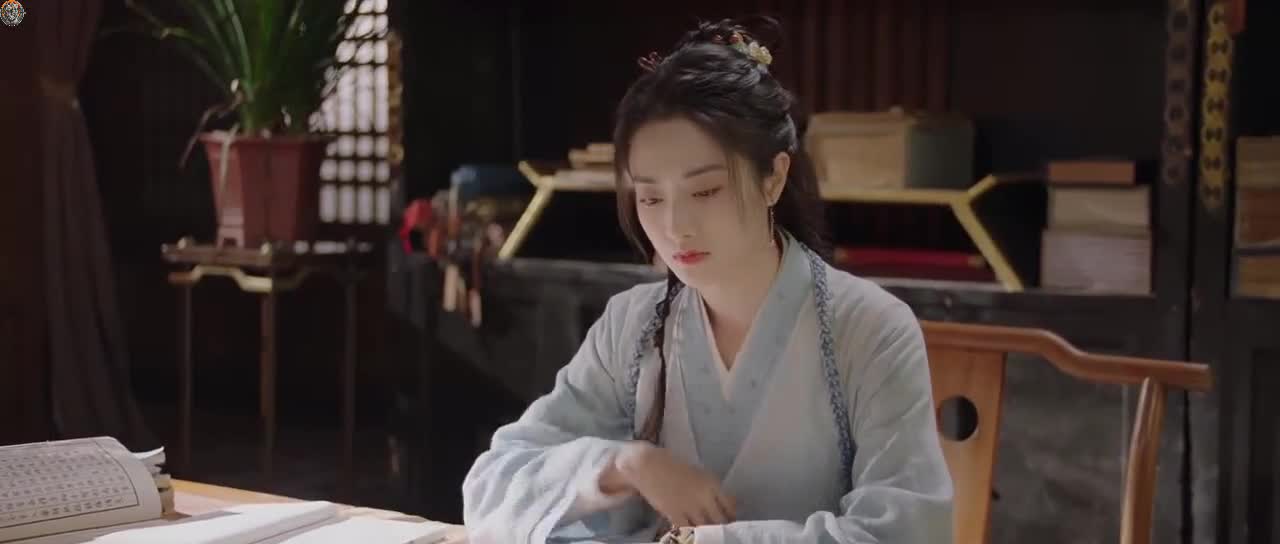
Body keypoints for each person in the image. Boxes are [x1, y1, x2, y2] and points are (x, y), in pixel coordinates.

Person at [462, 17, 953, 544]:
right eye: (651, 197)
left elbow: (907, 532)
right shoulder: (632, 325)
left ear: (774, 177)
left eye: (705, 192)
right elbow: (493, 485)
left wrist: (711, 541)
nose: (675, 227)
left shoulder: (869, 328)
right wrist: (624, 465)